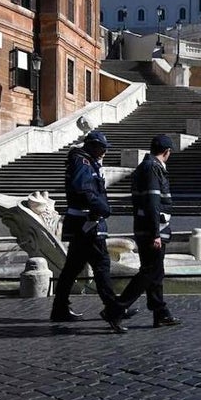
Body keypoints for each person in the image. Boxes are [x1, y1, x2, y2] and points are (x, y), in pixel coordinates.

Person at [51, 129, 134, 330]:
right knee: (101, 265)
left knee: (73, 268)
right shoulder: (83, 162)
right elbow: (83, 189)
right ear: (92, 146)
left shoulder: (86, 161)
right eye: (102, 148)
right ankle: (113, 309)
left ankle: (60, 308)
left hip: (83, 223)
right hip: (87, 223)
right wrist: (102, 207)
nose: (105, 151)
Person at [117, 134, 181, 328]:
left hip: (146, 227)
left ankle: (160, 312)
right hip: (153, 229)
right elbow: (153, 203)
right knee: (150, 272)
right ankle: (116, 309)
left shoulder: (145, 167)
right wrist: (155, 234)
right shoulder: (153, 168)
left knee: (155, 272)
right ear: (167, 152)